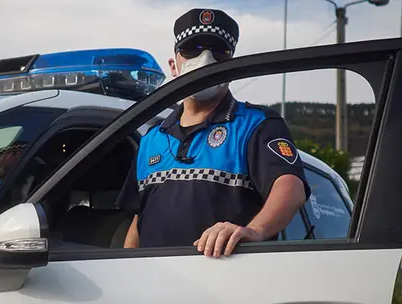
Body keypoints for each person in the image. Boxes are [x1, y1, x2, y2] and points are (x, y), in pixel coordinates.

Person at [116, 8, 310, 258]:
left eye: (219, 52)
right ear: (174, 66)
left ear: (233, 66)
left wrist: (254, 230)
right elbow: (139, 220)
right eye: (192, 50)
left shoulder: (257, 125)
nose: (206, 60)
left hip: (229, 287)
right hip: (156, 286)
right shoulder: (152, 138)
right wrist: (128, 264)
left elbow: (291, 186)